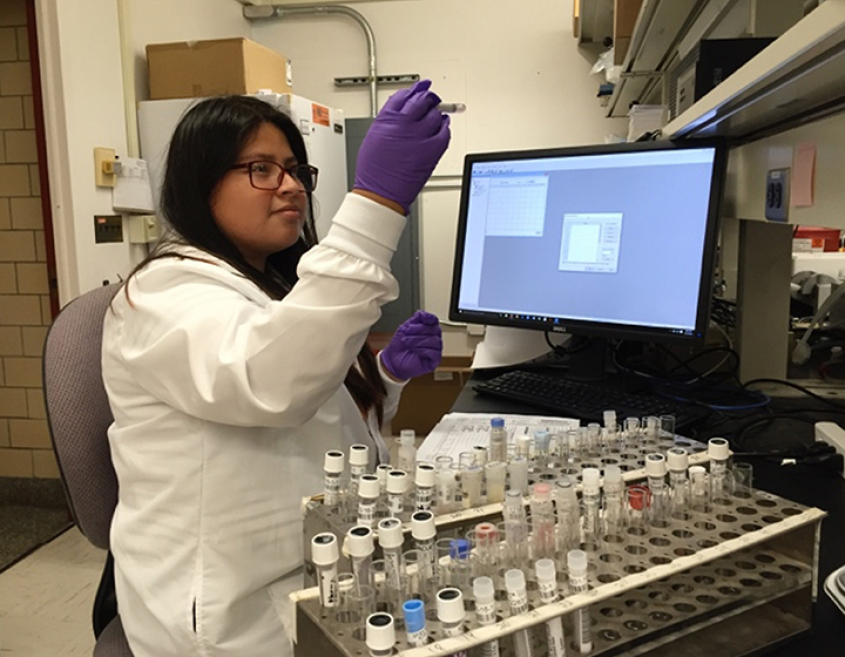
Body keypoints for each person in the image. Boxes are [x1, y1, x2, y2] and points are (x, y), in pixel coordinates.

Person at [101, 80, 450, 657]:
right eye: (261, 169)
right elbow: (271, 385)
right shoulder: (162, 295)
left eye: (294, 170)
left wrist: (383, 379)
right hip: (229, 611)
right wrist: (375, 205)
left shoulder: (270, 283)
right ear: (201, 183)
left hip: (312, 567)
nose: (290, 186)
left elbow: (311, 412)